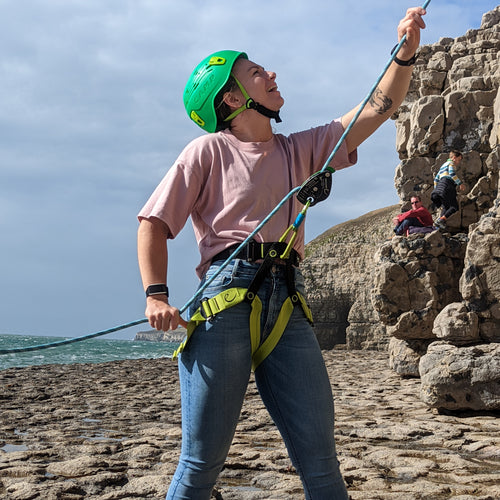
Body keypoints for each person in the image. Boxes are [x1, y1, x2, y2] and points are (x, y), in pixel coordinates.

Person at [137, 7, 426, 499]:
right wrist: (156, 296)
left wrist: (405, 52)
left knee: (320, 462)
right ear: (231, 98)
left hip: (289, 304)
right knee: (201, 464)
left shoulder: (302, 148)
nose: (270, 74)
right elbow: (154, 223)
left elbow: (379, 106)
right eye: (255, 72)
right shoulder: (207, 151)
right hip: (225, 302)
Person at [430, 151, 466, 229]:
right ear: (454, 158)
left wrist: (437, 189)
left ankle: (438, 226)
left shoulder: (443, 166)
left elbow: (436, 179)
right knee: (454, 207)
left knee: (446, 207)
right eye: (458, 160)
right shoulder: (451, 164)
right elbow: (452, 173)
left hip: (439, 188)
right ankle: (440, 220)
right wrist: (460, 183)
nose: (458, 162)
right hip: (447, 185)